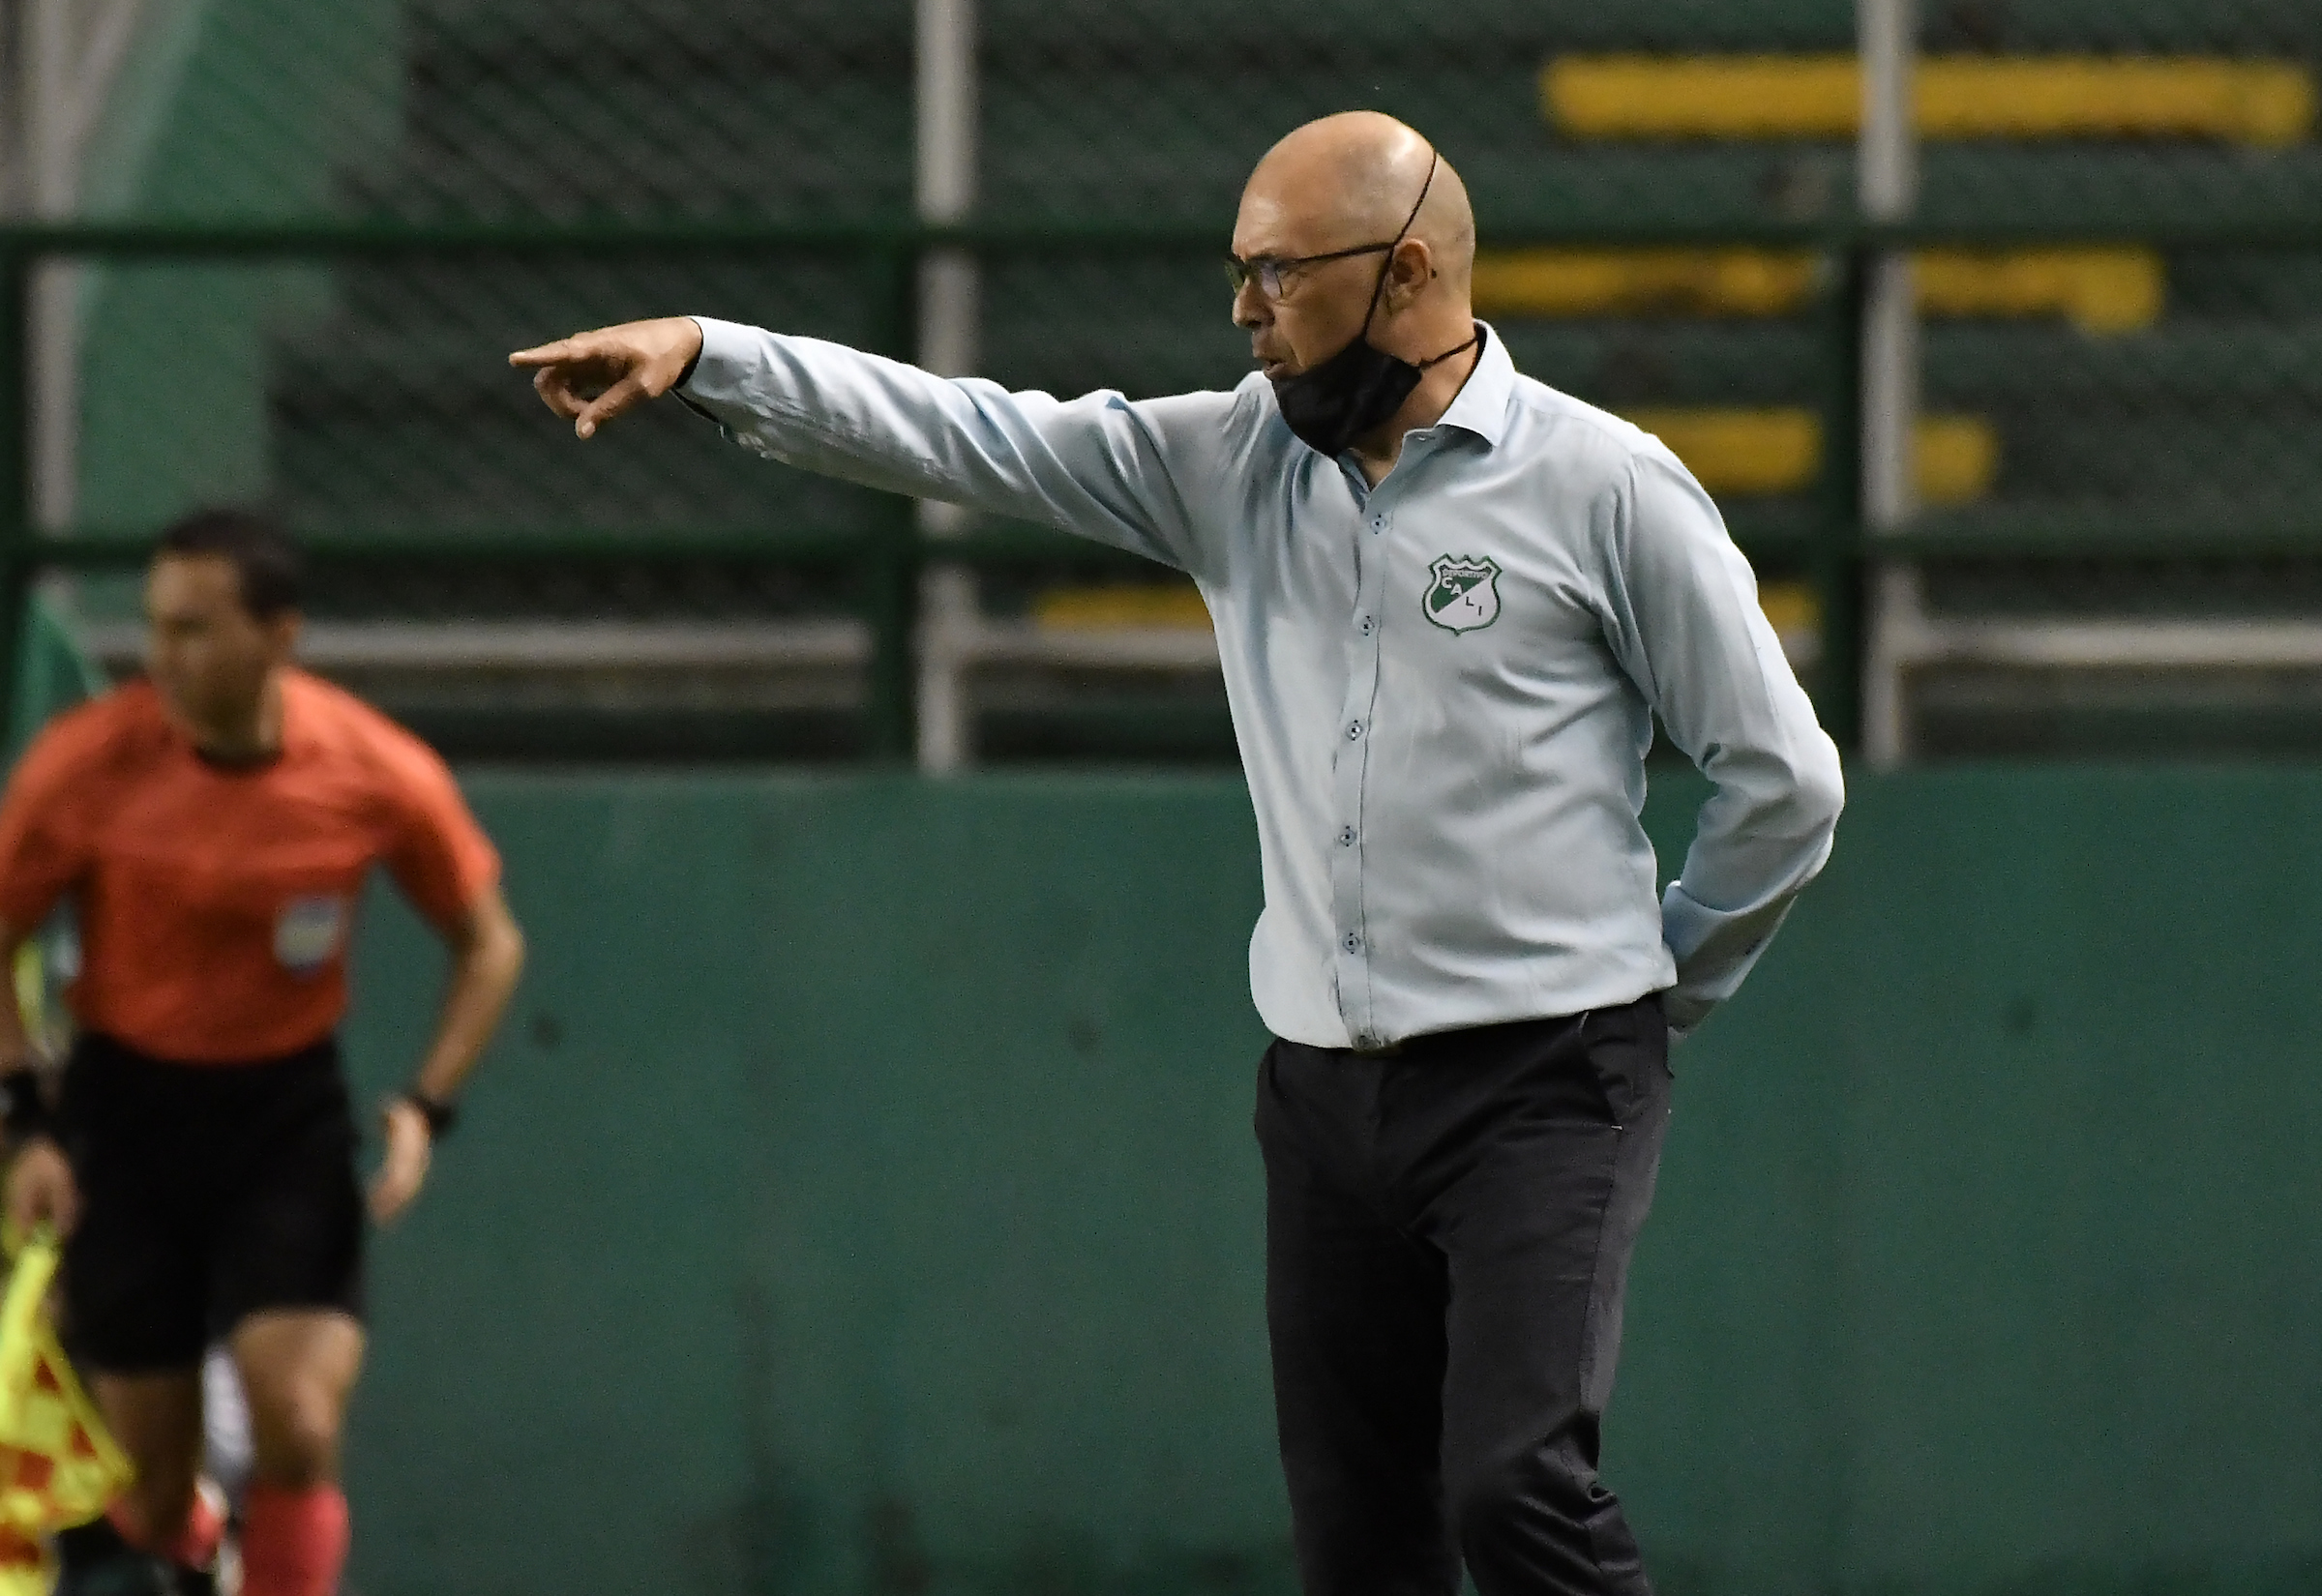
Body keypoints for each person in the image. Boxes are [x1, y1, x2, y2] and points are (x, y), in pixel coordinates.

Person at [511, 112, 1843, 1596]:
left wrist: (1655, 988)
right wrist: (711, 351)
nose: (1244, 314)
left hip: (1544, 1081)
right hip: (1324, 1092)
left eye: (1276, 275)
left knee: (1513, 1484)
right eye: (1240, 274)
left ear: (1405, 268)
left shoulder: (1605, 484)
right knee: (1359, 1541)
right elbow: (972, 431)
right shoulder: (1229, 459)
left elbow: (1782, 777)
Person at [0, 510, 526, 1596]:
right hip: (124, 1120)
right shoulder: (88, 765)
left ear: (278, 635)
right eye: (156, 628)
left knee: (294, 1415)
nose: (166, 657)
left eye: (196, 630)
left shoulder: (372, 770)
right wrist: (27, 1123)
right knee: (147, 1491)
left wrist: (426, 1106)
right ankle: (195, 1536)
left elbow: (488, 944)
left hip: (283, 1121)